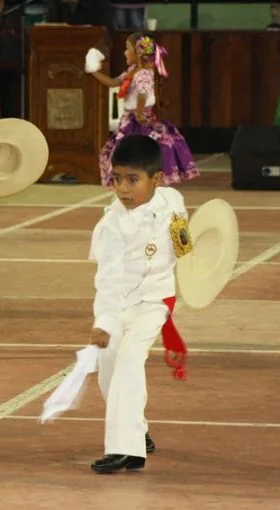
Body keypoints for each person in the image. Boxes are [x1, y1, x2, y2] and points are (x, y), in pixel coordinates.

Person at [88, 135, 190, 474]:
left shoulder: (173, 201)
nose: (123, 189)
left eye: (133, 179)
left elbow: (183, 245)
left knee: (130, 361)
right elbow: (108, 278)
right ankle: (137, 428)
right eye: (117, 179)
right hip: (118, 303)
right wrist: (104, 321)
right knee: (109, 366)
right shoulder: (111, 225)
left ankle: (124, 450)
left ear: (157, 180)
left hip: (155, 300)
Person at [89, 32, 199, 188]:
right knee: (129, 154)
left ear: (138, 52)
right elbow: (113, 83)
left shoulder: (143, 73)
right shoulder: (133, 70)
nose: (124, 52)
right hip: (129, 119)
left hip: (138, 120)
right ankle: (135, 184)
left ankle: (140, 185)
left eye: (127, 49)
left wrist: (139, 113)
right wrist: (93, 72)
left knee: (134, 154)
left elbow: (142, 93)